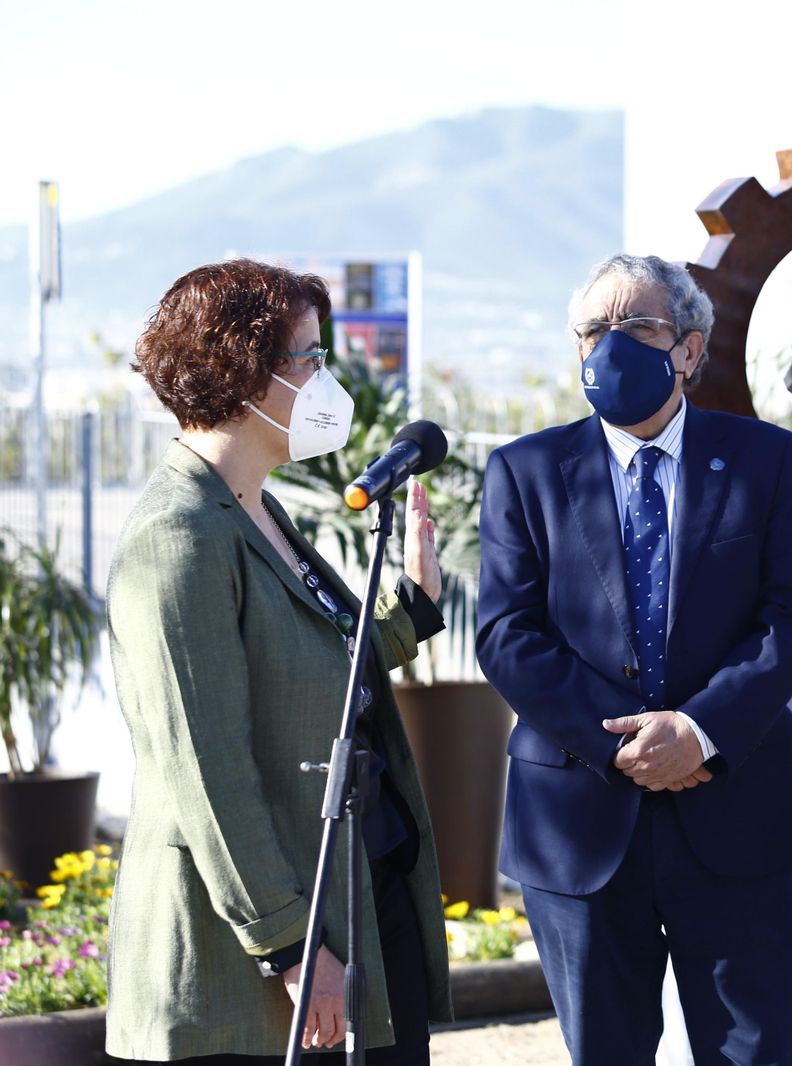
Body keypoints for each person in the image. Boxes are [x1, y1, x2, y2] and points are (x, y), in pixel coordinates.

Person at [476, 254, 792, 1065]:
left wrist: (698, 732)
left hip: (733, 809)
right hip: (580, 819)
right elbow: (507, 634)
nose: (609, 345)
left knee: (757, 1052)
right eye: (592, 330)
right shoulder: (524, 471)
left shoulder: (764, 459)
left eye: (635, 327)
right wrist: (625, 744)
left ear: (691, 350)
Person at [105, 259, 453, 1063]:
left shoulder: (257, 507)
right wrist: (290, 945)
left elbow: (306, 662)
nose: (327, 381)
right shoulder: (179, 534)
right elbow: (206, 764)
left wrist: (410, 608)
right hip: (258, 957)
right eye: (311, 357)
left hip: (355, 892)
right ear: (244, 370)